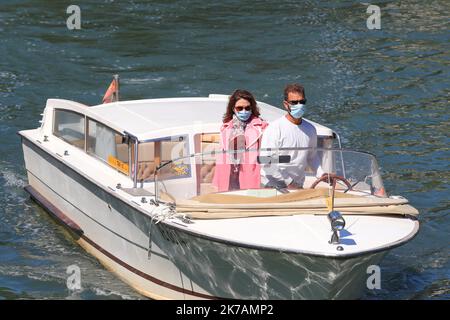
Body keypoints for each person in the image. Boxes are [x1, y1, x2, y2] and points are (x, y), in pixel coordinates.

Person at [260, 83, 323, 189]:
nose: (299, 105)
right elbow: (266, 161)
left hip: (296, 186)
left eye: (302, 102)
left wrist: (322, 174)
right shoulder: (275, 128)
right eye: (294, 102)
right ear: (286, 104)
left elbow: (312, 157)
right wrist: (289, 182)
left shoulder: (311, 129)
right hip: (272, 185)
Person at [213, 90, 268, 192]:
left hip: (250, 174)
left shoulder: (262, 127)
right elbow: (221, 156)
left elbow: (268, 154)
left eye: (247, 108)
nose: (244, 111)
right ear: (233, 109)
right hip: (229, 175)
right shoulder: (225, 127)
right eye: (240, 108)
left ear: (252, 108)